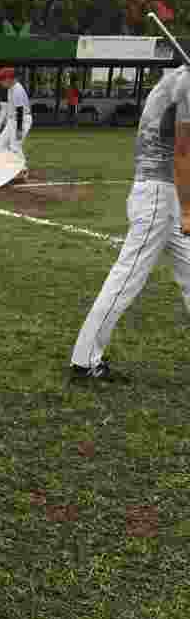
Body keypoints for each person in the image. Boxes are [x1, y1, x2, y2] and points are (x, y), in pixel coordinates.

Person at [69, 63, 190, 382]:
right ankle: (84, 359)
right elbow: (182, 153)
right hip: (158, 197)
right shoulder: (185, 85)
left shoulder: (175, 79)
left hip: (164, 195)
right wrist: (189, 210)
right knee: (126, 278)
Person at [0, 66, 32, 178]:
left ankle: (22, 170)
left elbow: (20, 110)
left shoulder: (17, 90)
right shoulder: (11, 89)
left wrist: (19, 130)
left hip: (22, 120)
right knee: (1, 143)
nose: (0, 83)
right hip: (13, 120)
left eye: (2, 81)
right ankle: (6, 167)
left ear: (9, 79)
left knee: (15, 145)